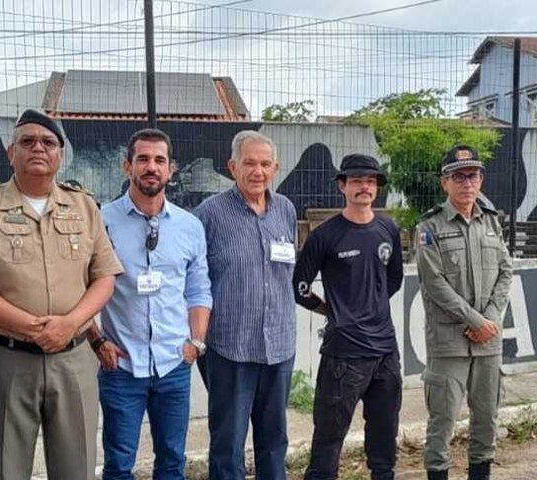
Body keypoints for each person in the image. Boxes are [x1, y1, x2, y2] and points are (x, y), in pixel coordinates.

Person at [0, 109, 123, 480]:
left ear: (60, 155)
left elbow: (104, 277)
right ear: (11, 153)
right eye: (27, 141)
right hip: (7, 360)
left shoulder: (84, 207)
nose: (38, 148)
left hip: (73, 360)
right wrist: (34, 328)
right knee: (4, 469)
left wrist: (69, 325)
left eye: (48, 142)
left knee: (77, 469)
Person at [86, 128, 212, 480]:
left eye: (159, 160)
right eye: (142, 159)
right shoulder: (100, 222)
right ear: (127, 166)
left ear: (171, 169)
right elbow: (78, 289)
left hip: (174, 363)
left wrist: (196, 343)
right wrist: (96, 340)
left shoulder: (190, 227)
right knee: (118, 464)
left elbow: (199, 290)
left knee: (172, 460)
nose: (151, 167)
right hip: (121, 366)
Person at [193, 130, 298, 480]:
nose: (258, 171)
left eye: (265, 164)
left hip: (279, 346)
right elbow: (194, 279)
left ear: (276, 167)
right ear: (232, 166)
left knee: (274, 441)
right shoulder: (209, 214)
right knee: (228, 443)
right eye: (249, 163)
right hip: (230, 347)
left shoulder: (285, 209)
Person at [293, 153, 403, 480]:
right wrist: (333, 311)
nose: (364, 187)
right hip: (344, 355)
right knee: (328, 441)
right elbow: (298, 288)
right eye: (356, 181)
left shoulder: (388, 228)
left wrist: (371, 305)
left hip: (386, 351)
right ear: (342, 186)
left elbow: (394, 278)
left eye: (370, 181)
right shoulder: (325, 235)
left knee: (385, 439)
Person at [416, 145, 512, 480]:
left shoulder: (492, 223)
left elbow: (505, 272)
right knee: (442, 423)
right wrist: (476, 321)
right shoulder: (430, 227)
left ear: (481, 179)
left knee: (487, 420)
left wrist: (491, 319)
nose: (466, 183)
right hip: (449, 344)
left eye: (472, 175)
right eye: (458, 176)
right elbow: (434, 284)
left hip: (488, 344)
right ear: (445, 183)